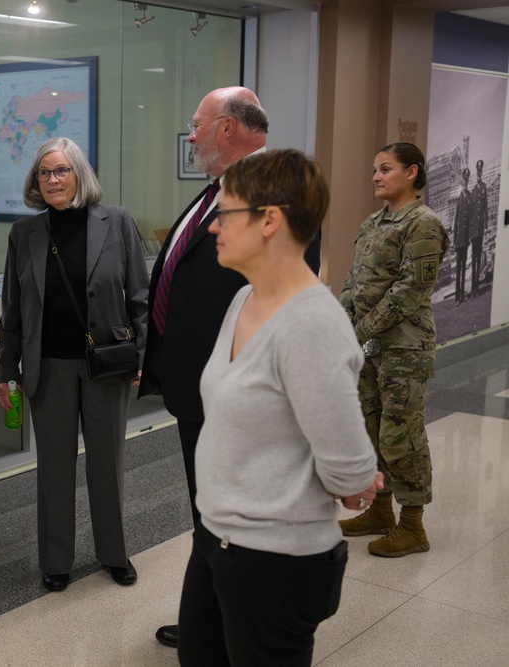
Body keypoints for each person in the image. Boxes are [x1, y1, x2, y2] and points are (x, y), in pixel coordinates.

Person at [177, 148, 380, 666]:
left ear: (270, 220)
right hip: (218, 537)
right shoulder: (244, 300)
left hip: (275, 558)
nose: (214, 227)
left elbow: (352, 470)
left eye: (225, 213)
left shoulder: (311, 324)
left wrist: (354, 482)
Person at [138, 86, 321, 649]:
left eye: (197, 124)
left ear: (226, 129)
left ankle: (225, 629)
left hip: (234, 395)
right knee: (208, 512)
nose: (189, 135)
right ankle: (208, 620)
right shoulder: (213, 195)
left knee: (225, 519)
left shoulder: (272, 195)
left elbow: (279, 299)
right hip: (198, 387)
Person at [0, 137, 148, 592]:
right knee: (54, 470)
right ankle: (56, 561)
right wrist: (7, 371)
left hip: (106, 366)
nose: (52, 180)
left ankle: (113, 554)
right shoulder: (25, 234)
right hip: (48, 370)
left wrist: (142, 355)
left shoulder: (116, 222)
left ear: (79, 174)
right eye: (44, 173)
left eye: (61, 171)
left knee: (108, 465)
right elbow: (13, 310)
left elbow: (140, 296)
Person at [338, 142, 449, 558]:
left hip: (405, 347)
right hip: (370, 347)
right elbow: (354, 281)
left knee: (400, 435)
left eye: (385, 168)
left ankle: (413, 526)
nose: (376, 176)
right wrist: (342, 322)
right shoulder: (373, 222)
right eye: (374, 169)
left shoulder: (423, 224)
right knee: (372, 429)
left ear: (412, 172)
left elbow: (410, 290)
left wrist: (361, 328)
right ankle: (381, 511)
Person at [452, 167, 471, 304]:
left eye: (467, 179)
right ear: (462, 181)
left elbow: (469, 219)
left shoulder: (469, 196)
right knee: (458, 268)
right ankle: (457, 296)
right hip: (459, 238)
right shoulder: (459, 197)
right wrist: (453, 240)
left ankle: (462, 294)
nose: (465, 182)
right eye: (464, 179)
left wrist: (469, 236)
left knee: (463, 266)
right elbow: (455, 218)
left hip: (465, 237)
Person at [470, 158, 487, 298]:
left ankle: (476, 287)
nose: (480, 173)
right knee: (474, 257)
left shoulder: (484, 188)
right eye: (478, 171)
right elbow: (471, 213)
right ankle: (473, 288)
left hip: (481, 230)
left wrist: (486, 227)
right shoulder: (474, 190)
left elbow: (485, 209)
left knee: (478, 258)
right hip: (473, 231)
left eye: (481, 170)